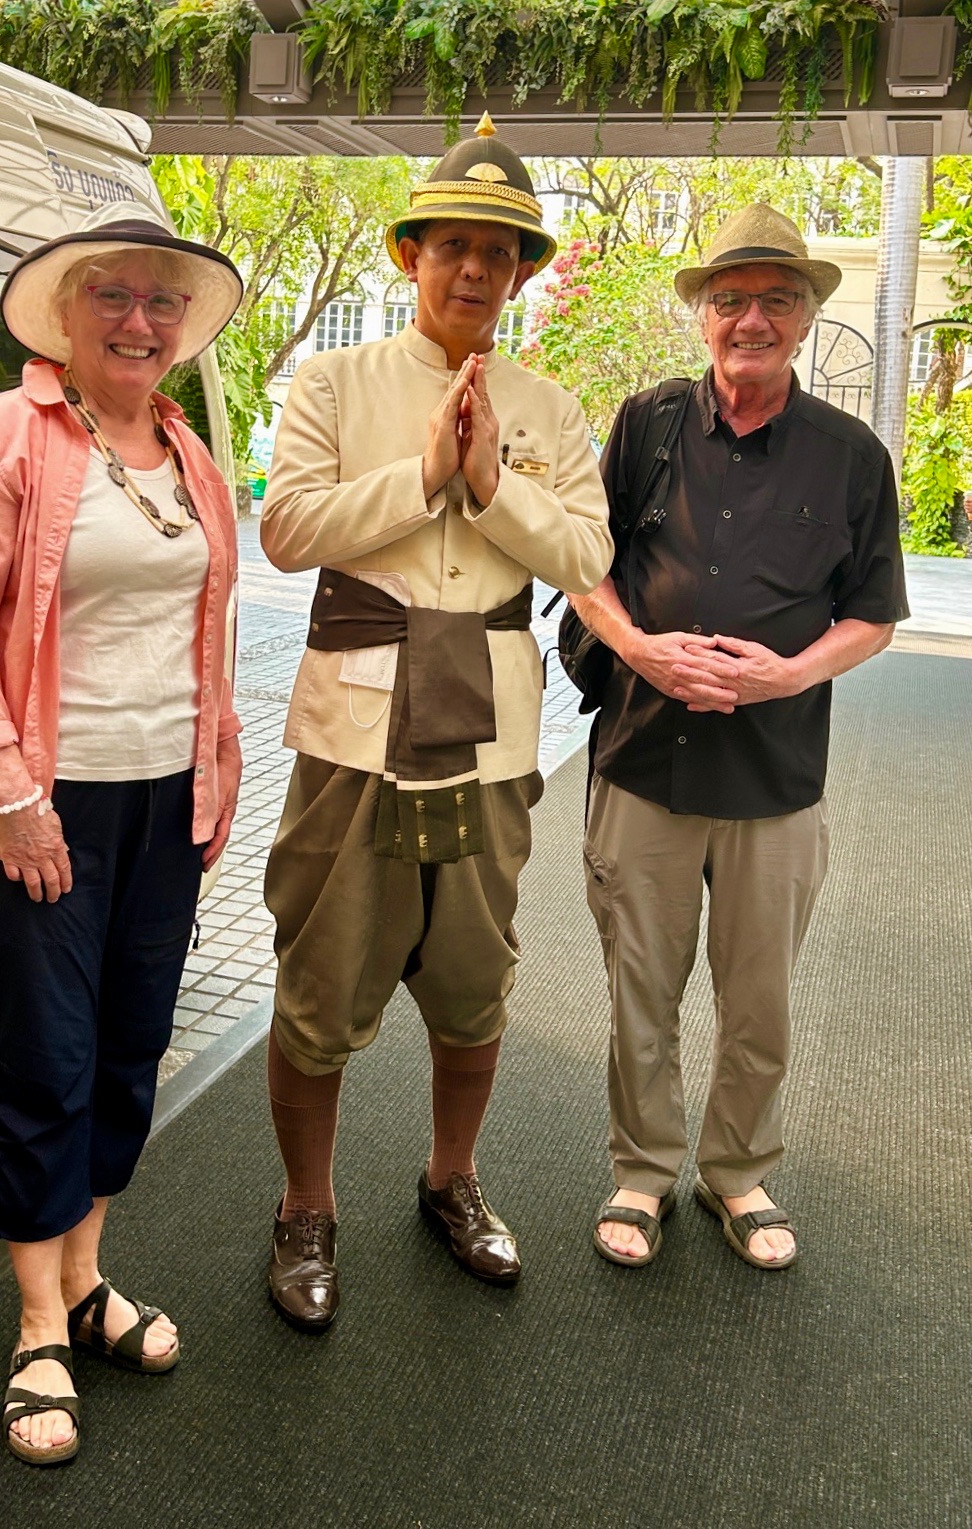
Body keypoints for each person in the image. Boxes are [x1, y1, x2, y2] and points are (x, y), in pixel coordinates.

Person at [259, 115, 613, 1331]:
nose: (473, 269)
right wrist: (419, 473)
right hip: (353, 727)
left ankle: (450, 1178)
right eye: (451, 243)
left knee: (475, 980)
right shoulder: (335, 381)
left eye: (498, 252)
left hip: (490, 734)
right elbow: (289, 530)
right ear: (411, 253)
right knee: (320, 977)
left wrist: (493, 481)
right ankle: (307, 1205)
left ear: (522, 273)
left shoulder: (549, 407)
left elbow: (588, 551)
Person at [0, 203, 244, 1463]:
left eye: (162, 302)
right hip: (38, 808)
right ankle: (38, 1322)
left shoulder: (185, 449)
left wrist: (214, 771)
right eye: (113, 295)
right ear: (65, 312)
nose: (142, 320)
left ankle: (90, 1271)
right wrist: (10, 793)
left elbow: (205, 631)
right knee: (46, 1060)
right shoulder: (2, 433)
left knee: (128, 1049)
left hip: (164, 797)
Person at [570, 205, 909, 1272]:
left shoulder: (853, 457)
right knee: (640, 982)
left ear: (807, 315)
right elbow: (588, 571)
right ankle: (642, 1166)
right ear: (703, 315)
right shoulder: (645, 425)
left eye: (774, 298)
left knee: (757, 995)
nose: (749, 318)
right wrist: (644, 651)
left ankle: (739, 1172)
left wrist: (787, 673)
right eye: (729, 299)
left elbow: (875, 612)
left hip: (778, 775)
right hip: (643, 761)